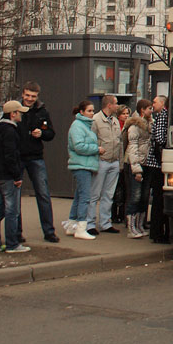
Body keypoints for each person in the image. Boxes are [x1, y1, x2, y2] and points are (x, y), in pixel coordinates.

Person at [16, 81, 58, 243]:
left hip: (35, 157)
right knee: (15, 196)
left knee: (43, 194)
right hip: (18, 157)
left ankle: (49, 231)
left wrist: (41, 133)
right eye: (27, 95)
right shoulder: (14, 109)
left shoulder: (42, 111)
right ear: (22, 94)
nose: (29, 99)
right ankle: (17, 232)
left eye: (33, 96)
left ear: (37, 97)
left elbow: (51, 133)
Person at [0, 100, 30, 253]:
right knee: (12, 211)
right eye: (20, 112)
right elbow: (11, 155)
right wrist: (17, 176)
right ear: (13, 114)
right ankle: (12, 244)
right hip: (9, 176)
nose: (21, 115)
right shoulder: (10, 131)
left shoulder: (1, 129)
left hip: (1, 175)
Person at [87, 94, 123, 235]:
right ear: (109, 105)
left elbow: (119, 143)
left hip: (113, 161)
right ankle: (90, 223)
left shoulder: (114, 121)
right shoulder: (96, 120)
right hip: (101, 160)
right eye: (116, 103)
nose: (117, 106)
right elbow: (91, 140)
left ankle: (105, 223)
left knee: (109, 194)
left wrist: (119, 163)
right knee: (94, 194)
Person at [65, 101, 98, 240]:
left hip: (85, 165)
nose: (92, 113)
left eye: (93, 111)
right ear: (82, 112)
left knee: (79, 196)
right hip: (81, 165)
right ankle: (81, 228)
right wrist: (97, 149)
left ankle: (72, 224)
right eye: (89, 111)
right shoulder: (78, 126)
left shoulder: (84, 126)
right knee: (85, 197)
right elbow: (78, 146)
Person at [141, 95, 169, 243]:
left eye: (155, 102)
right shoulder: (163, 116)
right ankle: (158, 232)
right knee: (159, 198)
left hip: (154, 162)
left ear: (163, 103)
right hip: (158, 163)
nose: (153, 104)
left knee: (157, 197)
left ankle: (155, 231)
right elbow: (160, 138)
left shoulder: (161, 115)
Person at [124, 99, 153, 238]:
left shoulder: (149, 123)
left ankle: (140, 225)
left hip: (147, 163)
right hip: (138, 164)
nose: (151, 111)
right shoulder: (135, 126)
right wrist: (136, 169)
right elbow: (132, 148)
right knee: (135, 196)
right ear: (142, 110)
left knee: (144, 196)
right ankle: (131, 227)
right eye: (149, 108)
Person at [111, 104, 132, 224]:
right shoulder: (116, 126)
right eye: (123, 113)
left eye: (127, 113)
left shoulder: (129, 126)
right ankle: (113, 214)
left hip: (125, 160)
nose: (126, 116)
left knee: (124, 189)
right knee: (115, 190)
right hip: (116, 160)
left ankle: (122, 214)